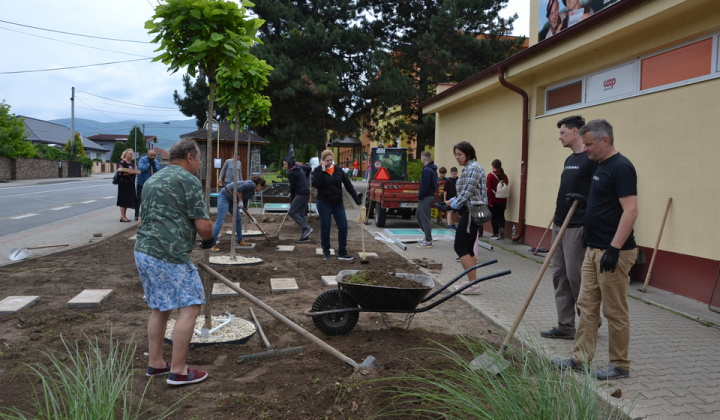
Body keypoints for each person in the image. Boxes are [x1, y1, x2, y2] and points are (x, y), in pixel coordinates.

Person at [552, 119, 638, 380]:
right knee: (587, 306)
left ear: (605, 141)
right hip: (592, 248)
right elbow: (606, 201)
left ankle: (620, 364)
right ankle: (580, 358)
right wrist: (585, 201)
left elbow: (631, 210)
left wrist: (614, 248)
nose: (585, 149)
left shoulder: (621, 167)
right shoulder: (600, 166)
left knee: (614, 311)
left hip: (613, 253)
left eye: (589, 144)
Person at [134, 138, 215, 386]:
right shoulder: (187, 180)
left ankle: (156, 364)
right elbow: (203, 225)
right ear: (189, 157)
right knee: (191, 306)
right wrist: (209, 240)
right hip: (169, 254)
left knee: (160, 307)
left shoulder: (152, 179)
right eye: (199, 158)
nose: (200, 164)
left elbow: (141, 221)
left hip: (144, 251)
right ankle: (178, 371)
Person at [541, 115, 598, 340]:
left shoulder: (590, 159)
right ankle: (565, 326)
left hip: (577, 225)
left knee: (576, 277)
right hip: (560, 223)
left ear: (576, 131)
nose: (560, 137)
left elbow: (596, 193)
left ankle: (590, 320)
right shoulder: (569, 160)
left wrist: (588, 221)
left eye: (563, 132)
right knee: (559, 275)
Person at [444, 142, 487, 294]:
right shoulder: (469, 169)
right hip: (470, 210)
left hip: (471, 212)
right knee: (468, 248)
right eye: (455, 154)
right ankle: (471, 281)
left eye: (460, 154)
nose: (457, 157)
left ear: (468, 154)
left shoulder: (473, 169)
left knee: (460, 246)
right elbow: (465, 192)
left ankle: (473, 283)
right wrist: (449, 201)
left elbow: (467, 193)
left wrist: (452, 205)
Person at [311, 149, 363, 261]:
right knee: (326, 227)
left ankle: (342, 253)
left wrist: (356, 200)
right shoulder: (318, 170)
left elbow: (348, 186)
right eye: (327, 160)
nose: (330, 162)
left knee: (343, 227)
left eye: (331, 160)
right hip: (324, 203)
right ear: (322, 161)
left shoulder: (338, 170)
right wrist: (323, 171)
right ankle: (326, 252)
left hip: (337, 203)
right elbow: (316, 185)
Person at [211, 176, 266, 252]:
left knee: (238, 219)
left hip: (232, 200)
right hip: (225, 196)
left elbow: (245, 208)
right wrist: (240, 201)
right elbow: (239, 189)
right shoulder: (251, 184)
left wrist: (252, 218)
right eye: (261, 188)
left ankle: (240, 240)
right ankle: (211, 244)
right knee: (220, 221)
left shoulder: (251, 192)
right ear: (259, 184)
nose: (260, 190)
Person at [284, 156, 313, 242]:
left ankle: (306, 228)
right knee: (301, 214)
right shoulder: (298, 167)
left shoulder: (291, 173)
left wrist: (292, 199)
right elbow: (309, 168)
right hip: (306, 192)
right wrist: (304, 177)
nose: (284, 166)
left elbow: (293, 188)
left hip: (300, 194)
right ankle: (305, 237)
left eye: (285, 164)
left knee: (292, 212)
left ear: (289, 164)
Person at [416, 151, 437, 248]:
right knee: (419, 216)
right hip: (427, 196)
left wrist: (420, 195)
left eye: (421, 158)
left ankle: (428, 240)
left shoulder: (427, 170)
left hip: (426, 197)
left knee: (424, 219)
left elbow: (425, 185)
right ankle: (427, 237)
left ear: (423, 158)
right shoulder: (431, 169)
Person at [135, 150, 161, 221]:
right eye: (151, 155)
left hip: (150, 183)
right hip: (142, 182)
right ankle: (136, 214)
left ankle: (148, 213)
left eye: (154, 155)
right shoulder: (142, 160)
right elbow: (141, 169)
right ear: (148, 155)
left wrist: (153, 165)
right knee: (139, 198)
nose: (153, 157)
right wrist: (149, 164)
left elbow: (157, 170)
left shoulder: (155, 161)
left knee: (150, 198)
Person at [487, 159, 509, 240]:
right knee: (501, 216)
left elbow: (489, 189)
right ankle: (502, 229)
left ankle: (495, 234)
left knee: (494, 217)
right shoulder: (504, 176)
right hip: (503, 200)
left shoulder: (490, 175)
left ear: (493, 166)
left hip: (494, 199)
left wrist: (490, 201)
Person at [117, 148, 137, 223]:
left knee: (127, 200)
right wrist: (128, 173)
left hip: (130, 183)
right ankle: (122, 216)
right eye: (130, 154)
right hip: (123, 183)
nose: (131, 155)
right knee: (123, 200)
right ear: (125, 154)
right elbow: (120, 173)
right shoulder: (122, 162)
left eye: (132, 154)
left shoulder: (131, 163)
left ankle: (124, 216)